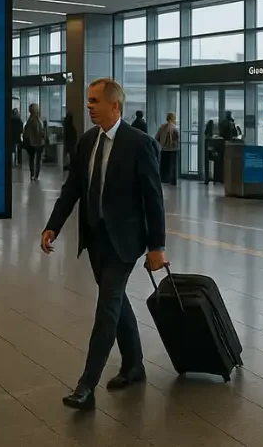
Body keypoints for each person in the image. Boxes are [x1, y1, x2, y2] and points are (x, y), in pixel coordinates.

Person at [40, 78, 167, 411]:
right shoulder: (87, 142)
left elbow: (153, 199)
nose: (89, 106)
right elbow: (72, 189)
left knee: (107, 306)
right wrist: (53, 226)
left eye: (95, 101)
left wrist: (157, 246)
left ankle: (86, 386)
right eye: (88, 101)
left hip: (126, 242)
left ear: (115, 106)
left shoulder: (139, 144)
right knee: (116, 301)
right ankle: (134, 365)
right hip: (96, 240)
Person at [155, 112, 180, 185]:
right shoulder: (175, 128)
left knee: (164, 165)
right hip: (173, 149)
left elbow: (156, 137)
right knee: (173, 165)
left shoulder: (162, 127)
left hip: (163, 149)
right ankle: (172, 180)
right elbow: (177, 138)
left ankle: (164, 179)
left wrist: (161, 143)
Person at [23, 104, 45, 182]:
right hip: (36, 142)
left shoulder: (31, 120)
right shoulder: (36, 121)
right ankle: (35, 175)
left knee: (33, 159)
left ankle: (33, 174)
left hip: (33, 142)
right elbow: (39, 132)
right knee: (36, 159)